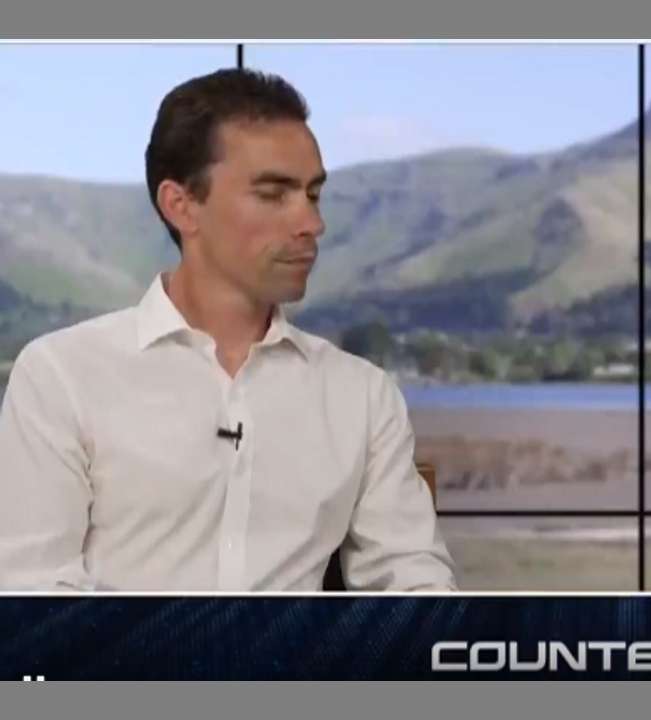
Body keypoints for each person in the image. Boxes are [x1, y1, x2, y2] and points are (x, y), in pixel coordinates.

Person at [0, 68, 457, 592]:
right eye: (274, 194)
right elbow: (31, 593)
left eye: (312, 195)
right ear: (181, 206)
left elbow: (414, 586)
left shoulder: (364, 397)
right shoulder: (62, 377)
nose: (311, 224)